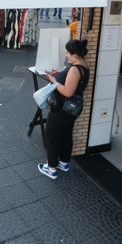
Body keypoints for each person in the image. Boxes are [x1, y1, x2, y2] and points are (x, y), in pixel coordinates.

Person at [38, 39, 90, 179]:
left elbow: (67, 92)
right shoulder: (83, 66)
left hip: (63, 109)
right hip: (72, 110)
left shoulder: (74, 69)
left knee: (52, 136)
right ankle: (63, 163)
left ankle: (51, 169)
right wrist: (58, 75)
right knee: (66, 135)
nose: (66, 55)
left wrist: (54, 81)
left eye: (68, 52)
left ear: (75, 55)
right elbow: (70, 82)